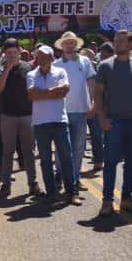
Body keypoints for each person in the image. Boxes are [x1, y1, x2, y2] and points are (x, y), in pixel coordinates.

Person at [95, 30, 132, 214]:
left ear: (130, 44)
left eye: (121, 41)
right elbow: (98, 94)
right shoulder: (105, 66)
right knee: (110, 162)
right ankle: (107, 201)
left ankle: (126, 198)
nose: (117, 43)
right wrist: (102, 118)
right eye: (116, 40)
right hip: (114, 122)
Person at [28, 45, 80, 205]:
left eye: (45, 56)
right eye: (39, 56)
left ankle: (72, 193)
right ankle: (52, 193)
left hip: (59, 121)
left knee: (66, 158)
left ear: (52, 58)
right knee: (45, 160)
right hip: (40, 123)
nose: (41, 59)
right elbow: (32, 95)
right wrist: (54, 92)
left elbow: (64, 91)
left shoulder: (61, 72)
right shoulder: (31, 74)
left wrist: (42, 93)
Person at [0, 38, 40, 198]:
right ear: (5, 54)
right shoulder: (0, 68)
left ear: (19, 52)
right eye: (9, 53)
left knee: (29, 152)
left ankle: (33, 183)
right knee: (8, 152)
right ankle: (6, 184)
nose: (12, 55)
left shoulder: (29, 68)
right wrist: (7, 69)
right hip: (8, 116)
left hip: (28, 115)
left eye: (14, 52)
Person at [54, 31, 95, 195]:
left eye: (72, 42)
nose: (69, 45)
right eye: (66, 43)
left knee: (78, 147)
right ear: (62, 46)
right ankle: (59, 175)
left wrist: (93, 103)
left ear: (76, 45)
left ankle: (75, 178)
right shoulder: (56, 64)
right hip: (61, 111)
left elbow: (91, 83)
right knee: (61, 148)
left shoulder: (85, 61)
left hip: (81, 110)